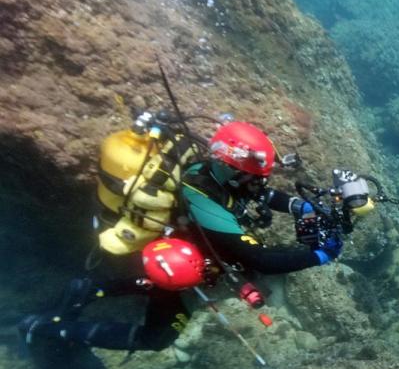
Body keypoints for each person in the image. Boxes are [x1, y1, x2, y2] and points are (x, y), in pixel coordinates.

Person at [18, 121, 340, 354]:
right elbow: (261, 260)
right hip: (177, 256)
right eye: (254, 176)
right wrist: (322, 254)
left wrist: (303, 206)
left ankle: (91, 289)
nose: (259, 183)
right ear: (232, 169)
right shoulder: (201, 196)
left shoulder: (217, 172)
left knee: (158, 283)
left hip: (191, 247)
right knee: (157, 338)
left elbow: (262, 195)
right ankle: (47, 329)